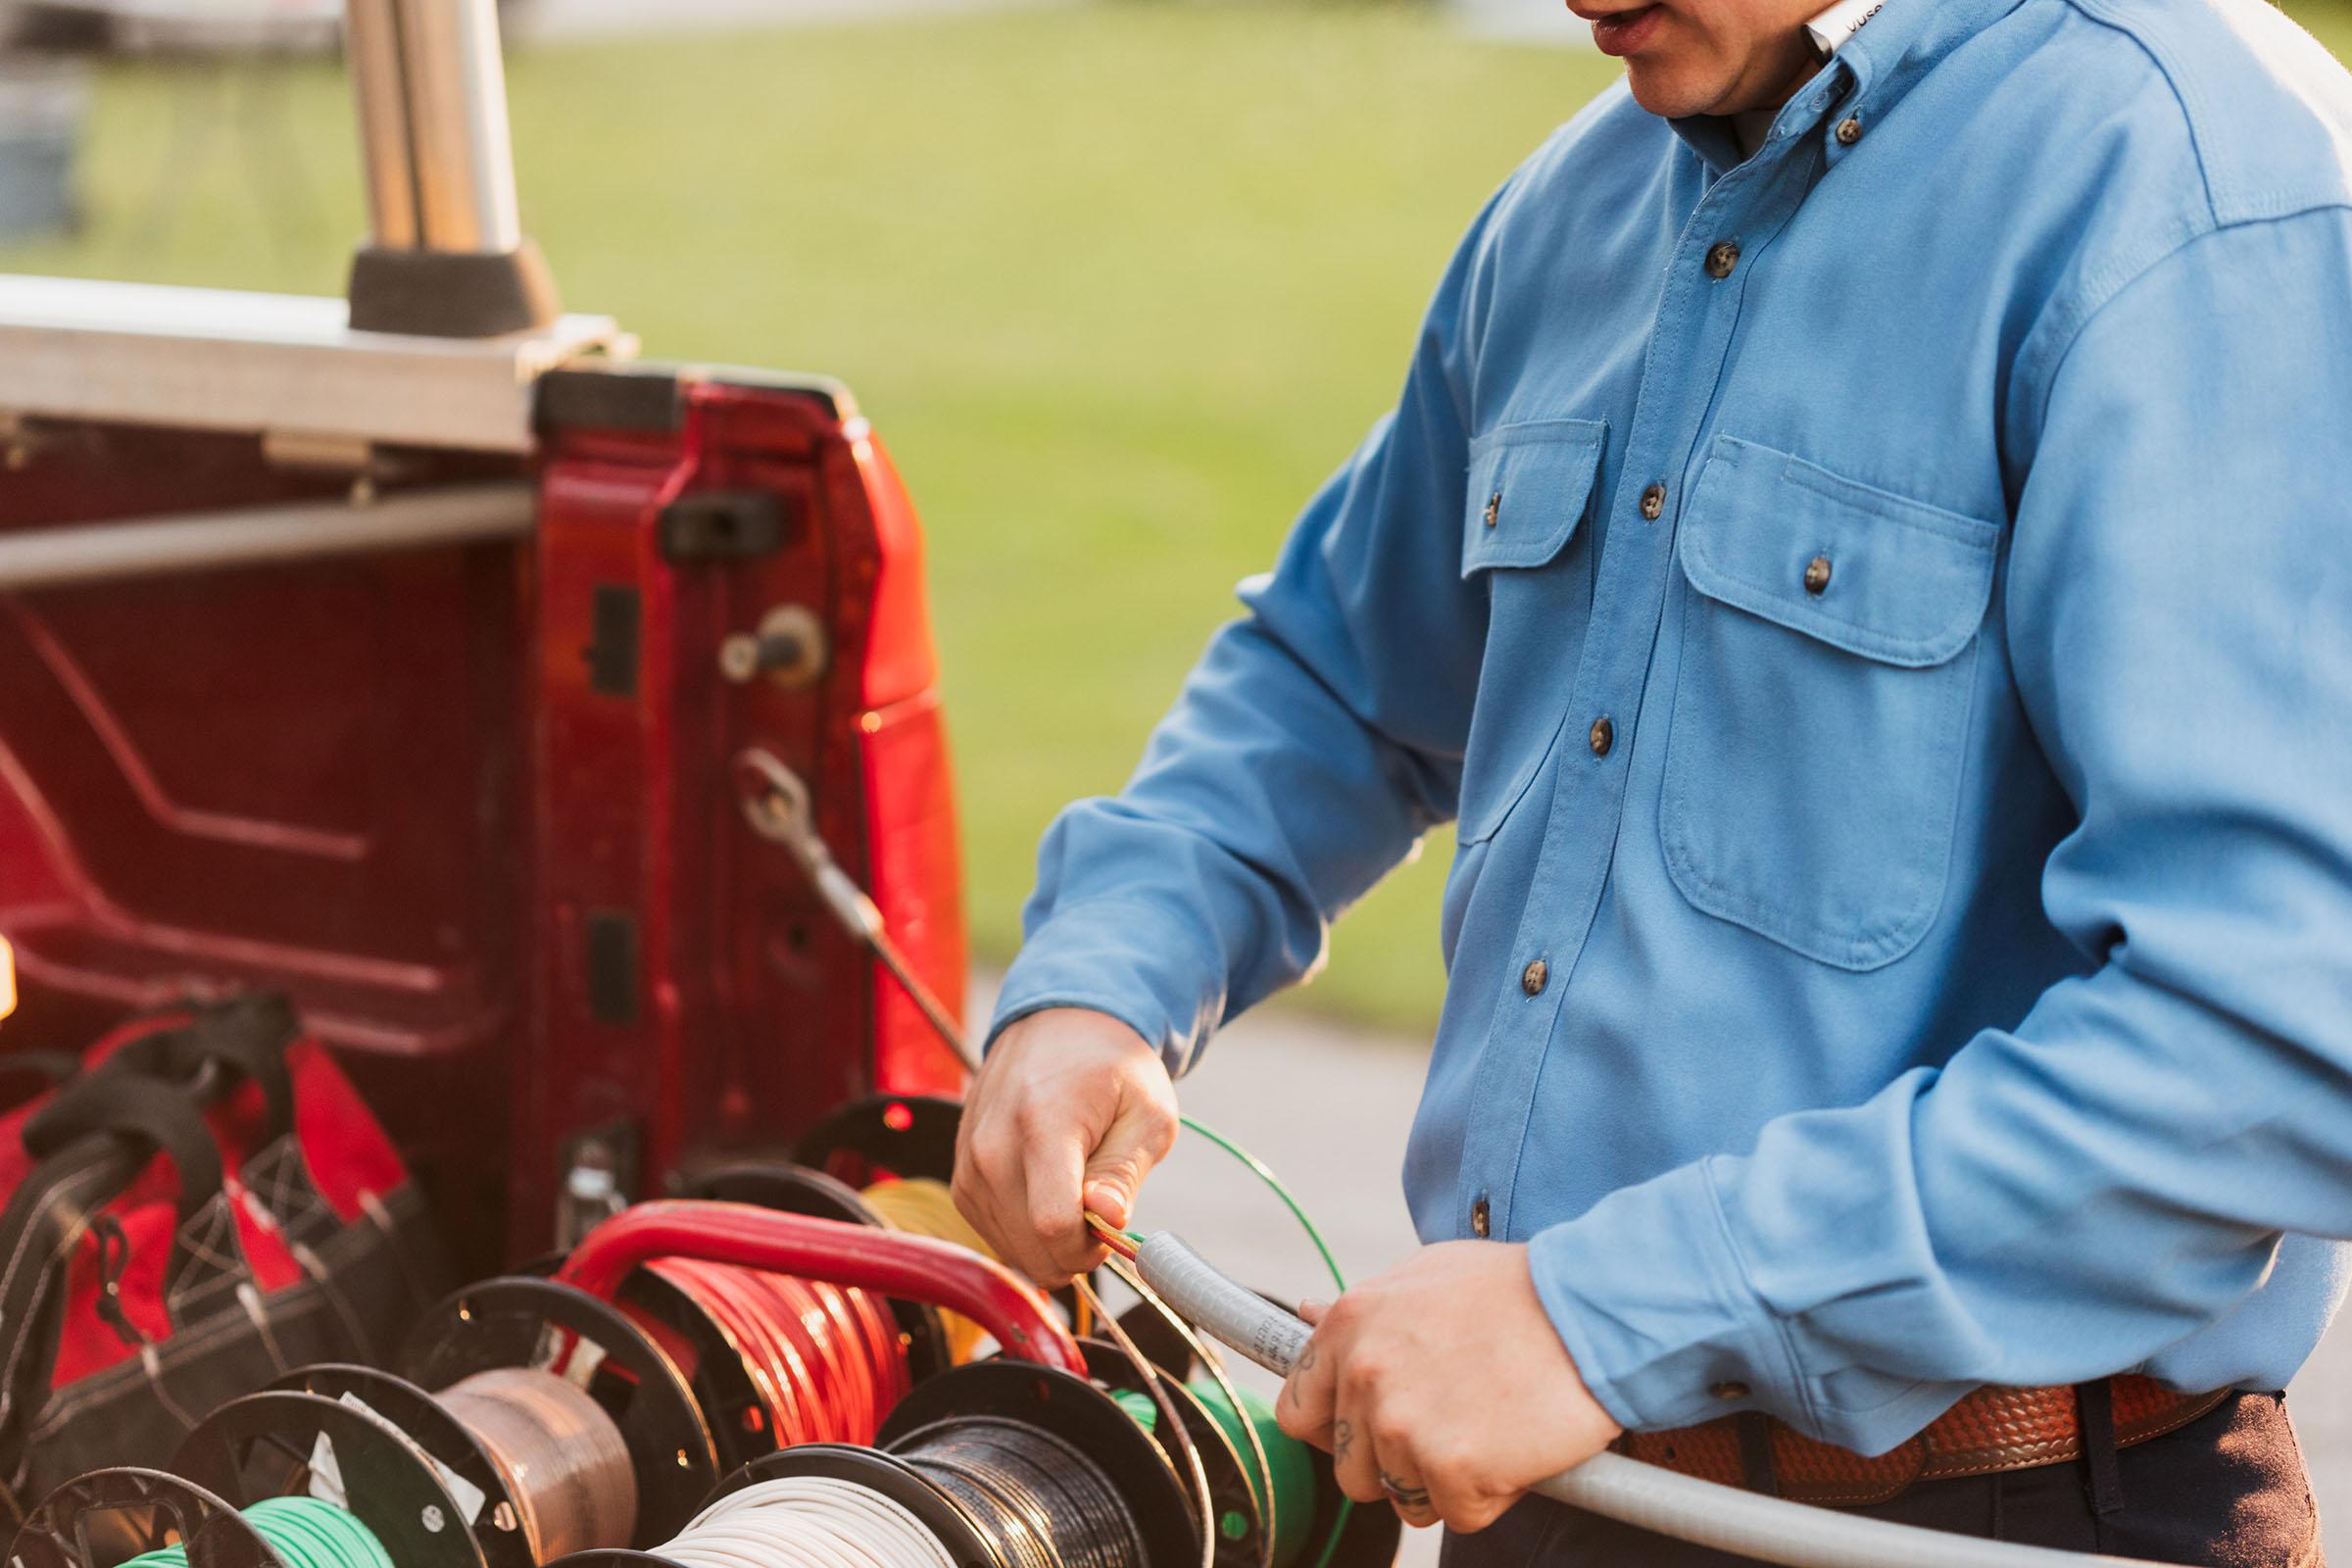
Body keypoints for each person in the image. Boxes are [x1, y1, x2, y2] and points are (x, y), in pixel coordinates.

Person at [951, 0, 2352, 1559]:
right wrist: (1104, 980)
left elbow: (2278, 1036)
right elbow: (1337, 680)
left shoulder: (2202, 187)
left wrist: (1600, 1314)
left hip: (2010, 1521)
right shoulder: (1580, 202)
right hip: (1550, 1494)